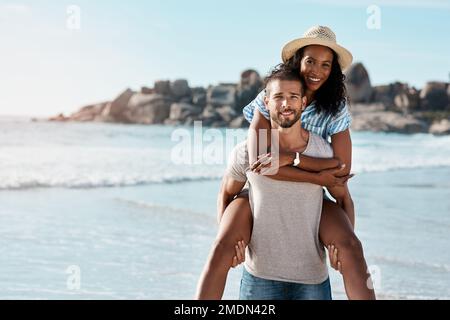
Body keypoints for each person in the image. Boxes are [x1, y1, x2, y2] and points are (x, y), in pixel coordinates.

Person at [196, 25, 376, 300]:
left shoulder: (335, 107)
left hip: (309, 187)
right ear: (298, 61)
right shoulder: (272, 95)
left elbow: (340, 171)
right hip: (267, 184)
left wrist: (295, 158)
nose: (317, 70)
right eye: (310, 61)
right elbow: (260, 161)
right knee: (221, 245)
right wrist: (316, 176)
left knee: (351, 247)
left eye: (326, 65)